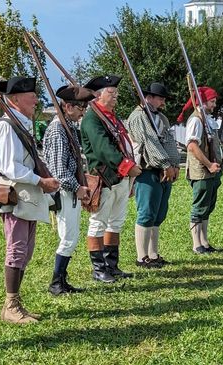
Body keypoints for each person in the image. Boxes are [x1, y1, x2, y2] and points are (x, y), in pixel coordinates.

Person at [0, 76, 59, 323]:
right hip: (16, 196)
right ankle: (10, 306)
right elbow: (9, 168)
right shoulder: (7, 126)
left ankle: (15, 302)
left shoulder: (21, 123)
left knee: (25, 251)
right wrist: (40, 181)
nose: (35, 100)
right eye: (30, 95)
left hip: (26, 196)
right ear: (15, 99)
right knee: (17, 250)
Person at [81, 75, 141, 283]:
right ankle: (98, 268)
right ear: (98, 95)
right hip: (104, 177)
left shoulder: (111, 117)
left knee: (115, 222)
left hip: (120, 177)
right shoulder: (92, 119)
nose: (115, 96)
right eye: (111, 92)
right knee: (98, 222)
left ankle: (111, 265)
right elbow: (103, 149)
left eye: (116, 93)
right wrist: (128, 167)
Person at [43, 85, 94, 295]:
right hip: (65, 191)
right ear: (68, 106)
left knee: (71, 237)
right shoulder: (57, 129)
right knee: (68, 237)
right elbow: (58, 171)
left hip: (70, 190)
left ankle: (61, 280)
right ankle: (56, 282)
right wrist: (77, 188)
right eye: (81, 106)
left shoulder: (69, 126)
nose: (83, 111)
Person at [126, 82, 180, 269]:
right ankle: (142, 257)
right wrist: (165, 164)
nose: (163, 102)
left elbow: (170, 142)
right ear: (148, 97)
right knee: (147, 213)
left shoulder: (161, 118)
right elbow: (148, 143)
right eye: (160, 98)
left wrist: (174, 164)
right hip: (148, 170)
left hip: (164, 170)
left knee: (158, 214)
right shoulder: (139, 117)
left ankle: (153, 253)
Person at [177, 86, 223, 254]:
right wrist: (209, 165)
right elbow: (192, 146)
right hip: (202, 171)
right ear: (203, 102)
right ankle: (197, 244)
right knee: (199, 207)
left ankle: (204, 241)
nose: (214, 104)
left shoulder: (205, 119)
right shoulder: (196, 120)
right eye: (212, 101)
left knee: (207, 207)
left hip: (212, 171)